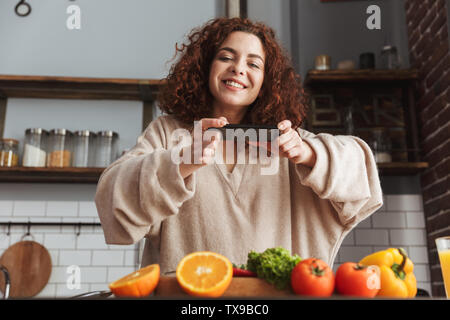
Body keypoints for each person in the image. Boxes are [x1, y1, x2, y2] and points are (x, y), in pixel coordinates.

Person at [95, 17, 383, 274]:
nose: (238, 69)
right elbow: (112, 197)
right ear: (206, 67)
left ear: (265, 82)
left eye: (253, 63)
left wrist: (309, 154)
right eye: (226, 57)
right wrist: (180, 163)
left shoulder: (285, 140)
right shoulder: (169, 133)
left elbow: (362, 172)